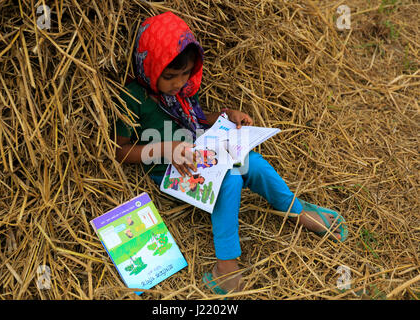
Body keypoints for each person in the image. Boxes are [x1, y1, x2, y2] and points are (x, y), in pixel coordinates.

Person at [113, 11, 348, 294]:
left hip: (201, 155)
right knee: (231, 180)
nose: (178, 83)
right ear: (147, 66)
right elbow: (120, 151)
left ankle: (295, 211)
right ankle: (227, 264)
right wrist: (165, 150)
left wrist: (225, 116)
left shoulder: (182, 92)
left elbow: (197, 119)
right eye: (170, 76)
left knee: (254, 163)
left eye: (185, 74)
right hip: (172, 172)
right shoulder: (133, 98)